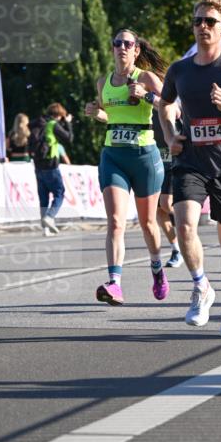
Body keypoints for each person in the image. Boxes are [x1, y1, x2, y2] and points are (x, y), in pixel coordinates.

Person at [158, 0, 221, 338]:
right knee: (184, 223)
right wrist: (170, 135)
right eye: (198, 21)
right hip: (191, 161)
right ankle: (201, 286)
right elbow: (165, 104)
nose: (202, 26)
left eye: (210, 21)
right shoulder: (179, 70)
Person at [84, 29, 168, 305]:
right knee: (116, 221)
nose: (122, 47)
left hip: (144, 157)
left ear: (136, 50)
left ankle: (157, 267)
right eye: (117, 43)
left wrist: (147, 96)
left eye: (128, 43)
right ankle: (115, 284)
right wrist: (97, 113)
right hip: (114, 156)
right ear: (112, 48)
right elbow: (110, 115)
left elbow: (172, 108)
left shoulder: (147, 78)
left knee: (148, 223)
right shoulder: (103, 82)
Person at [30, 102, 73, 235]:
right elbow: (69, 138)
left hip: (38, 164)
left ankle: (45, 229)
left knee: (43, 197)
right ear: (59, 115)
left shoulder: (38, 123)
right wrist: (68, 123)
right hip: (51, 164)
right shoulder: (53, 124)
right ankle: (50, 216)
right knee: (59, 192)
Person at [152, 105, 183, 269]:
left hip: (173, 158)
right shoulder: (142, 100)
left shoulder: (169, 99)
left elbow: (177, 111)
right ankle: (177, 249)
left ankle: (188, 226)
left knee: (166, 203)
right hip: (154, 158)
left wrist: (152, 97)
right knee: (158, 211)